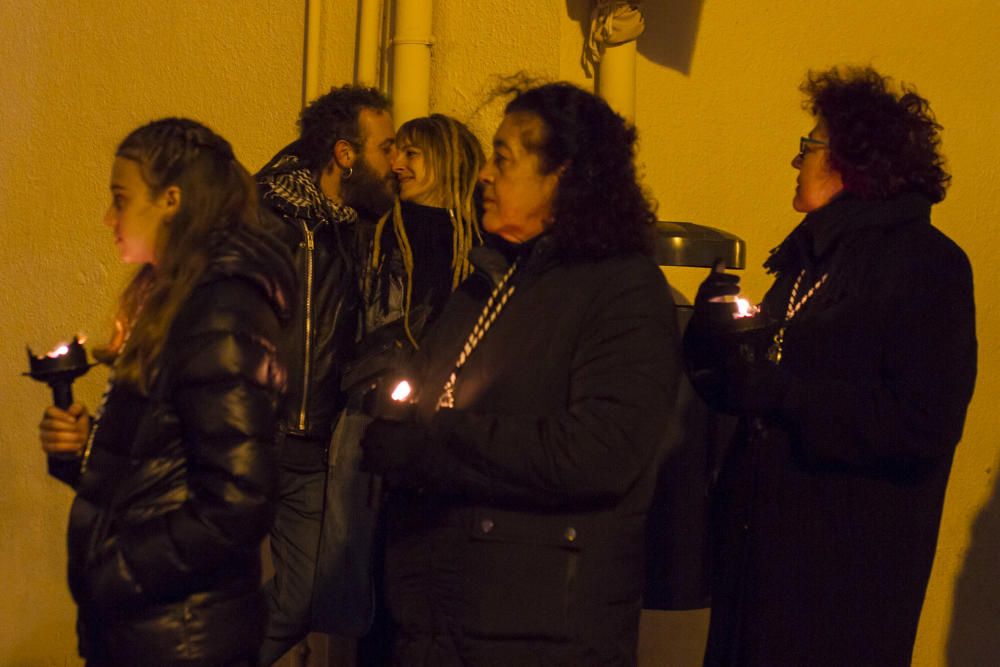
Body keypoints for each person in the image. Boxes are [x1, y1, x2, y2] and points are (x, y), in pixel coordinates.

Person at [360, 81, 681, 665]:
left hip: (539, 631)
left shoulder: (623, 290)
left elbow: (599, 452)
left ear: (563, 177)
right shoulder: (489, 279)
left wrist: (433, 441)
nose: (483, 174)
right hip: (442, 619)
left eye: (503, 159)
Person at [684, 66, 977, 666]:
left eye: (808, 147)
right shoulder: (809, 260)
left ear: (852, 161)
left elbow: (921, 423)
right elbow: (758, 378)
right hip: (760, 560)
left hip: (843, 579)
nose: (797, 162)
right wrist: (715, 340)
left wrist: (785, 393)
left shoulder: (925, 264)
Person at [37, 118, 294, 666]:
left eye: (120, 199)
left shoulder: (221, 310)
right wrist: (84, 453)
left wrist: (116, 570)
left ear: (171, 199)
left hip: (182, 635)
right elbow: (166, 468)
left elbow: (238, 499)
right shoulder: (173, 303)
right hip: (149, 630)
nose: (109, 217)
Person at [314, 113, 485, 661]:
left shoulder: (477, 242)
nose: (398, 163)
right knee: (366, 563)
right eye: (397, 151)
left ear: (449, 160)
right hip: (374, 409)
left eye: (414, 152)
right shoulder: (378, 228)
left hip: (443, 419)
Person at [255, 84, 397, 665]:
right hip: (256, 436)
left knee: (306, 592)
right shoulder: (267, 216)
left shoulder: (356, 226)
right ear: (345, 153)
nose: (394, 162)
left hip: (317, 446)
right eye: (385, 147)